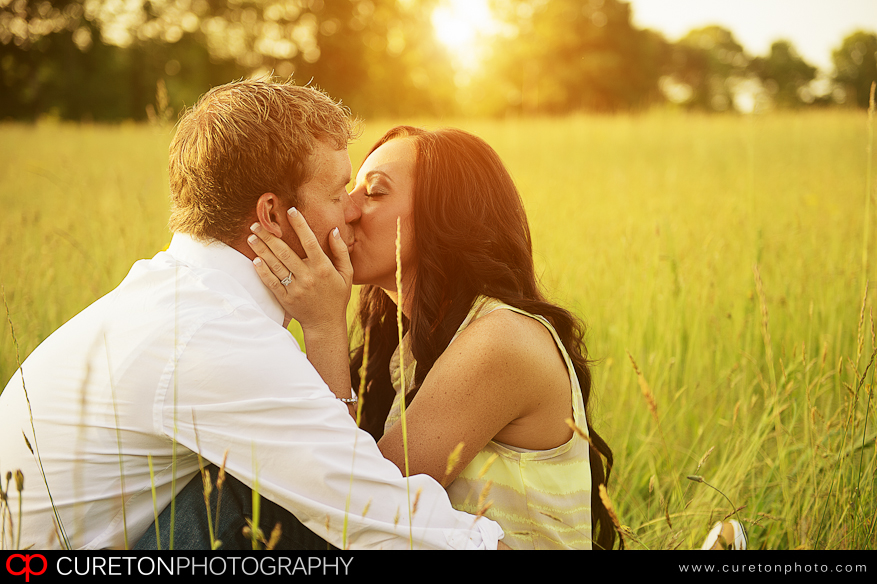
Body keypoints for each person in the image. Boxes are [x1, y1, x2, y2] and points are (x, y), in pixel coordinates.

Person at [0, 79, 505, 550]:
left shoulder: (178, 296)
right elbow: (370, 514)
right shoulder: (215, 336)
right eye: (336, 195)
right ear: (270, 215)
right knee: (260, 503)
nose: (351, 211)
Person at [248, 126, 618, 550]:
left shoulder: (502, 339)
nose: (347, 209)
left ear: (447, 214)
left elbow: (359, 505)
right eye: (350, 190)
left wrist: (322, 325)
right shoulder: (404, 346)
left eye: (375, 192)